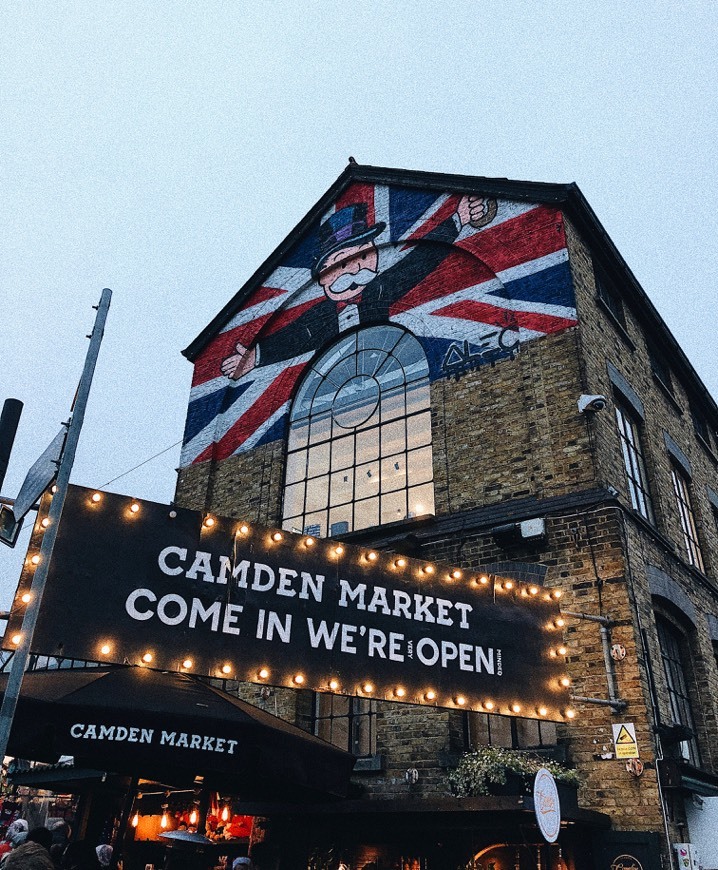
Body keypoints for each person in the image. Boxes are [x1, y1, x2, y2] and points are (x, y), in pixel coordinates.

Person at [220, 195, 495, 379]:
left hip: (389, 374)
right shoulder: (319, 317)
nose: (354, 268)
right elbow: (294, 336)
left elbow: (417, 263)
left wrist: (456, 220)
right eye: (340, 263)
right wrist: (256, 356)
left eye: (363, 256)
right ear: (322, 278)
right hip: (338, 388)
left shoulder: (379, 290)